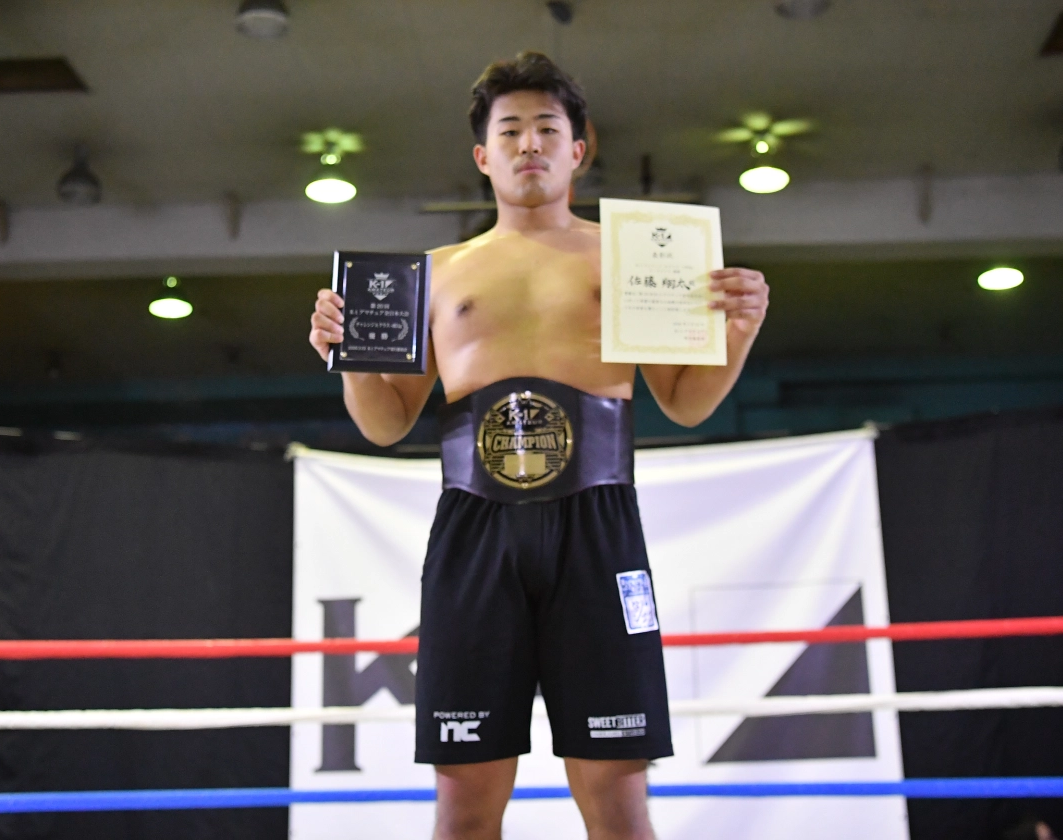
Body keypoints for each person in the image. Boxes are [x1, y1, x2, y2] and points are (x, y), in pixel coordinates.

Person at [310, 51, 769, 840]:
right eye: (510, 130)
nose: (529, 144)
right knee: (462, 806)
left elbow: (684, 402)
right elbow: (385, 423)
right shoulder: (432, 275)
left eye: (547, 129)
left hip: (598, 527)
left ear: (577, 150)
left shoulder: (635, 258)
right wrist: (348, 358)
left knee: (619, 802)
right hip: (473, 533)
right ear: (482, 156)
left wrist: (740, 331)